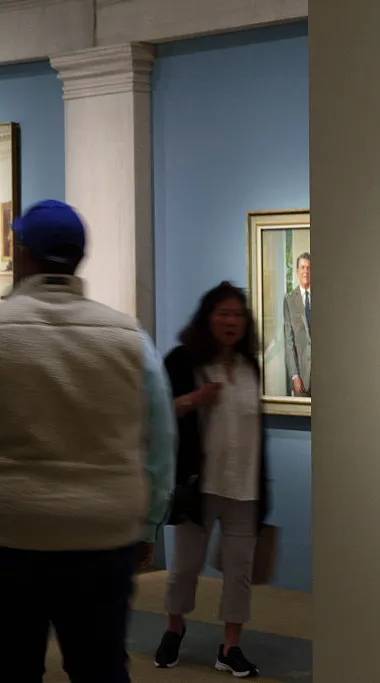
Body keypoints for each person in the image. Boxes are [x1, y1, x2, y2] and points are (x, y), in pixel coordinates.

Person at [0, 199, 176, 682]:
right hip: (104, 533)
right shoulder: (128, 336)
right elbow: (160, 441)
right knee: (100, 666)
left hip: (13, 531)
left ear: (24, 252)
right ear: (79, 257)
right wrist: (150, 522)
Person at [155, 281, 270, 678]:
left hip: (245, 488)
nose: (231, 321)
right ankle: (174, 629)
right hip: (199, 487)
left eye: (238, 314)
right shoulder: (183, 360)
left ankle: (230, 647)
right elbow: (157, 412)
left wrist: (263, 489)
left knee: (238, 573)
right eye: (223, 313)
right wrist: (193, 400)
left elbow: (257, 431)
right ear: (208, 318)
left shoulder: (249, 366)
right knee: (185, 567)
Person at [283, 252, 311, 397]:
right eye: (302, 267)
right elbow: (289, 342)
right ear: (297, 271)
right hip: (301, 379)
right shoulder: (289, 300)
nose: (306, 271)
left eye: (309, 267)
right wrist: (295, 375)